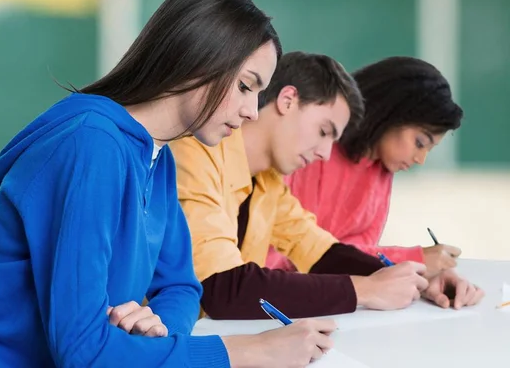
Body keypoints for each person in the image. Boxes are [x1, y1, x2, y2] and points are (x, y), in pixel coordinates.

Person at [0, 0, 337, 368]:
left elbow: (182, 287)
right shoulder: (92, 146)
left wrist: (153, 330)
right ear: (198, 58)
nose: (250, 110)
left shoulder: (159, 157)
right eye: (246, 86)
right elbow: (82, 350)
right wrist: (246, 352)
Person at [170, 52, 484, 321]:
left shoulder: (268, 184)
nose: (324, 153)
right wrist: (365, 290)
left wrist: (411, 280)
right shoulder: (196, 153)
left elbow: (322, 252)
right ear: (288, 100)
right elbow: (222, 288)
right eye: (323, 131)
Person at [269, 56, 463, 277]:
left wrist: (426, 273)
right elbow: (302, 257)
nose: (420, 159)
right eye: (419, 143)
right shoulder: (305, 151)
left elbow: (354, 260)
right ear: (391, 114)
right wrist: (411, 260)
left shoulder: (381, 171)